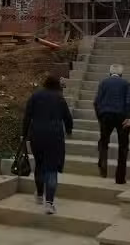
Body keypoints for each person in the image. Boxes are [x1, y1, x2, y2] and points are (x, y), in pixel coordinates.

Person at [21, 74, 73, 215]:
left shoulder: (35, 96)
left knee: (39, 165)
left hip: (37, 136)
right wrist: (69, 130)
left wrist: (24, 134)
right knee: (51, 169)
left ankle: (39, 195)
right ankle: (49, 203)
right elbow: (67, 117)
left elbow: (27, 116)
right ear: (56, 85)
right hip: (54, 137)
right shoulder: (59, 98)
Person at [93, 64, 130, 184]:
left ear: (110, 73)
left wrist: (100, 116)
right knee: (123, 146)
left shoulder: (103, 83)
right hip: (122, 116)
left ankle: (103, 163)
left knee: (103, 141)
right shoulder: (126, 84)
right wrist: (129, 117)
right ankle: (120, 178)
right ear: (121, 74)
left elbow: (96, 101)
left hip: (106, 115)